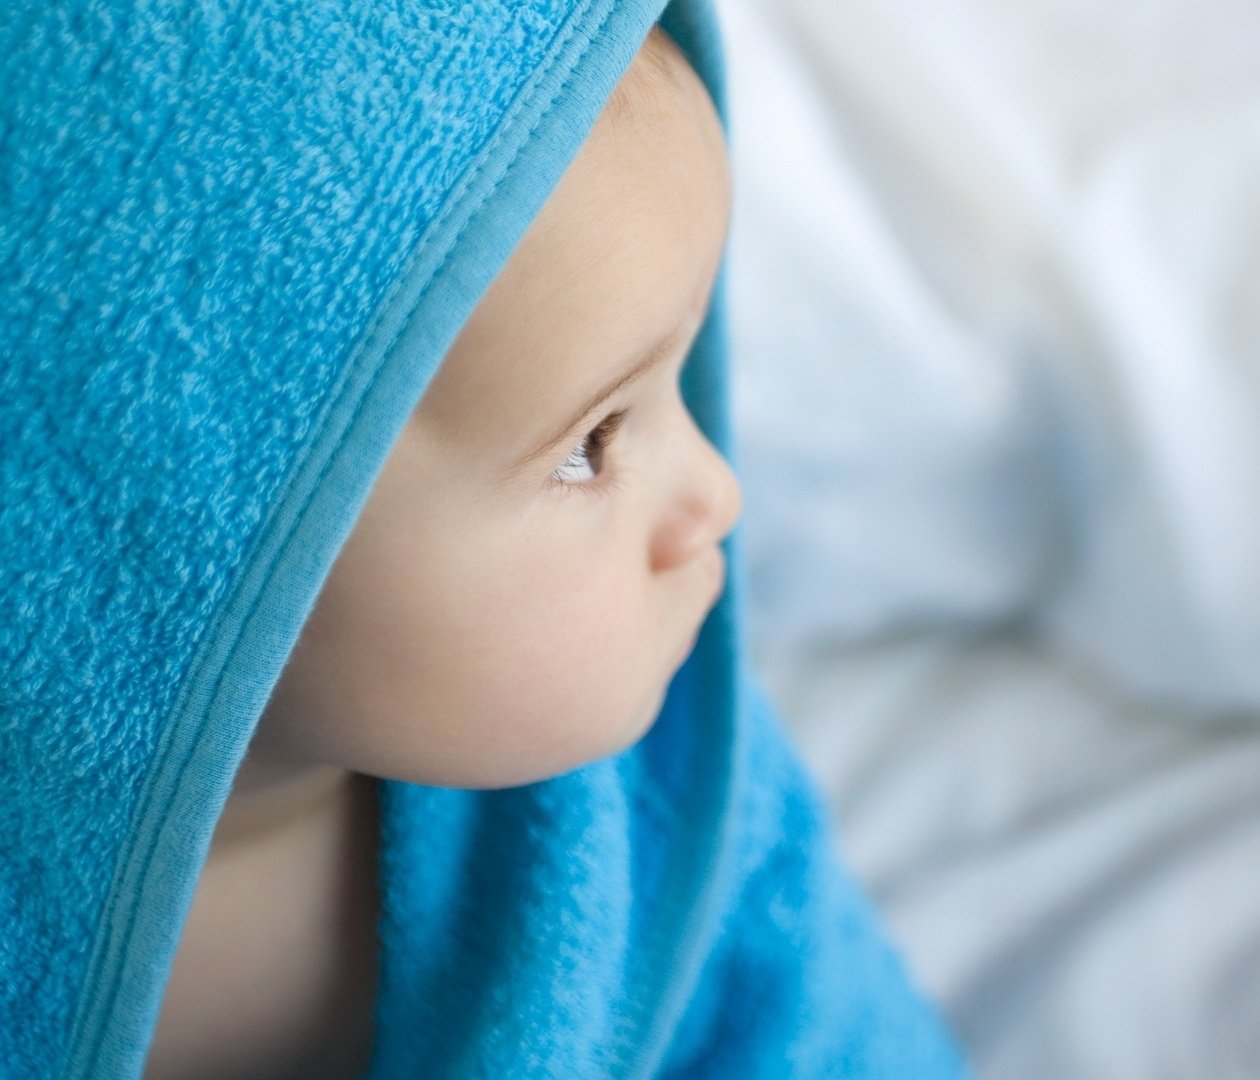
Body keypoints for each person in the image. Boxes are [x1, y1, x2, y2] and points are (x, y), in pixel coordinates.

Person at [0, 2, 969, 1078]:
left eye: (679, 383)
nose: (715, 495)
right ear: (172, 531)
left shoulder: (668, 829)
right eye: (588, 447)